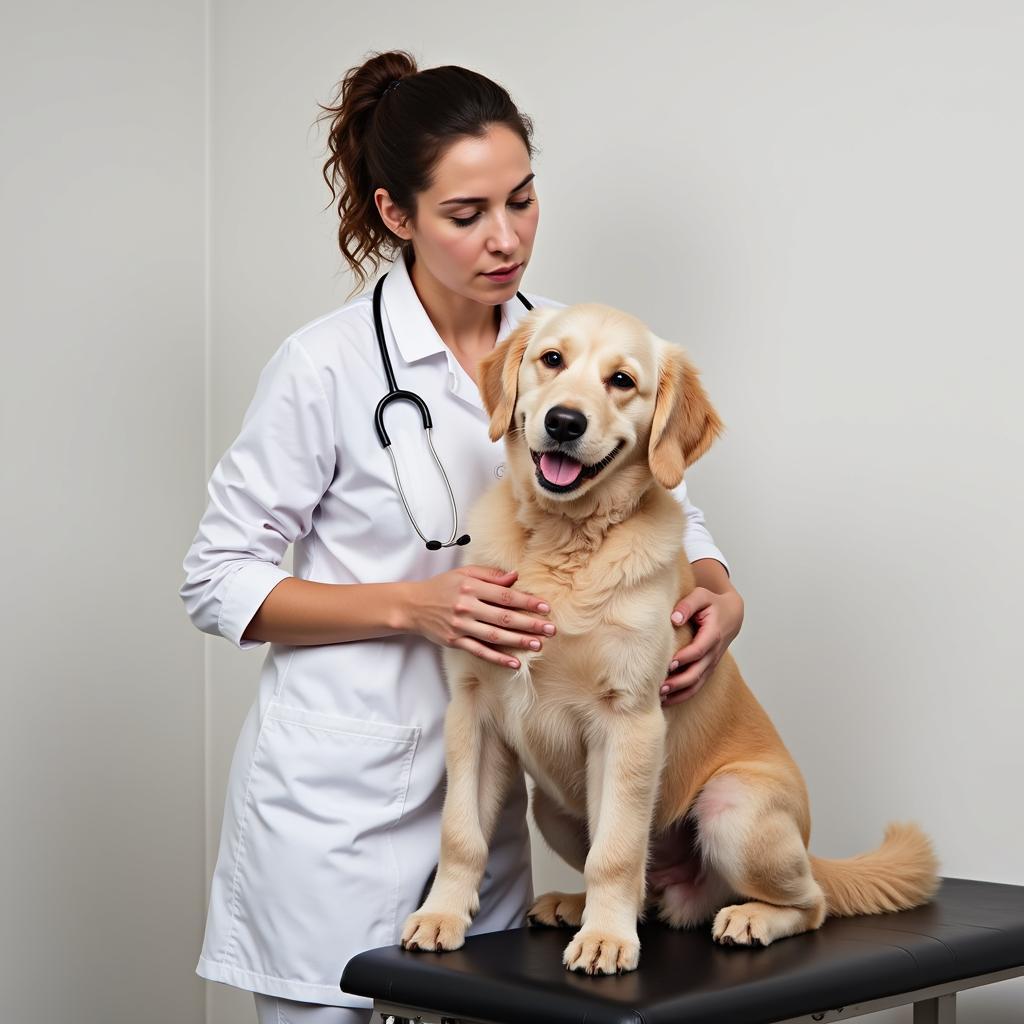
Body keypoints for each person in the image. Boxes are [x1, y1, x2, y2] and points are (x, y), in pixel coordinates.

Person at [179, 49, 744, 1024]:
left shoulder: (563, 339)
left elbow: (660, 489)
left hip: (484, 826)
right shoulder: (324, 367)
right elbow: (216, 579)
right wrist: (413, 603)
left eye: (522, 200)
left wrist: (713, 585)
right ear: (397, 215)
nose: (506, 238)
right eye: (466, 214)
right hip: (339, 812)